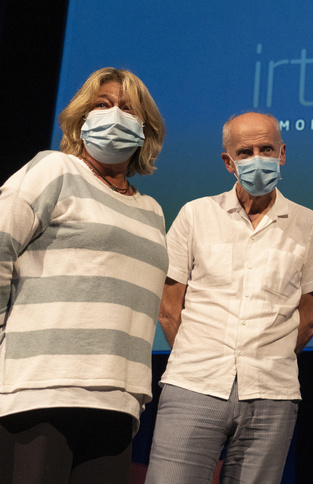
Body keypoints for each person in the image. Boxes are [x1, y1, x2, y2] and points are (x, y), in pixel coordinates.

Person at [145, 112, 313, 484]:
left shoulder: (309, 224)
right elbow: (169, 309)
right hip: (193, 386)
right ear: (228, 162)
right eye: (245, 151)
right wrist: (200, 353)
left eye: (266, 148)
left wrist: (268, 354)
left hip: (272, 393)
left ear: (282, 154)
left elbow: (310, 317)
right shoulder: (195, 214)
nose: (257, 158)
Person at [0, 67, 168, 483]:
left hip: (118, 399)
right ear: (81, 118)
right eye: (103, 105)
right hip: (41, 389)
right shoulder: (54, 170)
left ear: (144, 128)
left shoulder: (152, 211)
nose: (114, 115)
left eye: (127, 109)